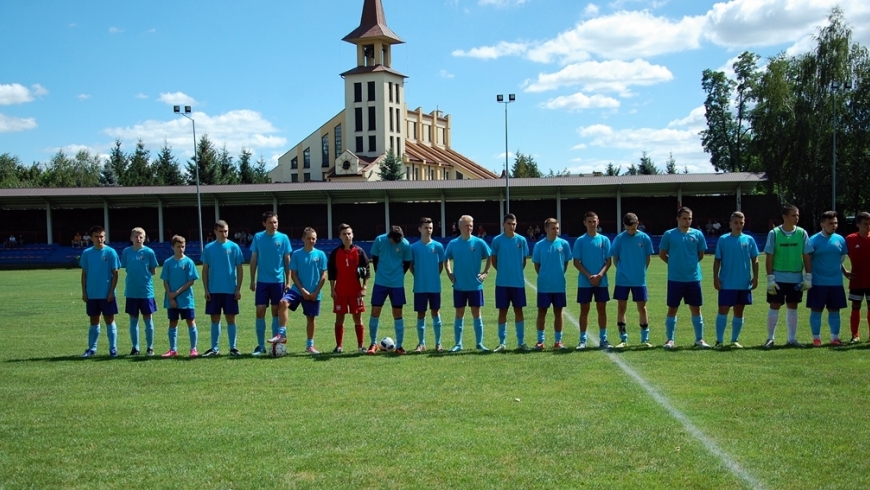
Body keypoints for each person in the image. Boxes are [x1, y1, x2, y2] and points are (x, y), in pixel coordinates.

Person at [271, 227, 328, 355]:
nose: (311, 240)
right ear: (303, 239)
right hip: (297, 290)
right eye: (308, 238)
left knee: (311, 319)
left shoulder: (320, 255)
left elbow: (324, 275)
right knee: (283, 303)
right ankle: (281, 334)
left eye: (313, 238)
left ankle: (310, 346)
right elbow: (293, 274)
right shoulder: (296, 254)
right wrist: (302, 290)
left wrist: (315, 292)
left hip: (314, 292)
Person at [659, 207, 710, 349]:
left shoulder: (698, 234)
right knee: (672, 308)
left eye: (690, 218)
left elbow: (700, 254)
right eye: (684, 218)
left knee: (696, 309)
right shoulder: (669, 235)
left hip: (693, 278)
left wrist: (689, 264)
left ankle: (699, 339)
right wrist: (674, 263)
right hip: (675, 279)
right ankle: (670, 340)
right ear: (678, 219)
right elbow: (662, 254)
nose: (687, 221)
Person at [763, 204, 813, 349]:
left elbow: (806, 255)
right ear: (784, 217)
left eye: (797, 215)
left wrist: (808, 276)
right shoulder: (774, 233)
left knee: (793, 306)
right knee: (774, 305)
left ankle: (791, 339)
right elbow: (769, 256)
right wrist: (770, 278)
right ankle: (770, 338)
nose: (796, 218)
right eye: (793, 215)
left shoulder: (802, 233)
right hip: (778, 278)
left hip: (796, 277)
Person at [445, 215, 493, 352]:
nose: (469, 228)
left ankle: (479, 343)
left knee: (477, 313)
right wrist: (449, 272)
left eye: (471, 225)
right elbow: (446, 258)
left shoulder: (479, 242)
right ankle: (458, 344)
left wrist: (485, 273)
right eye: (466, 225)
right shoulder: (453, 244)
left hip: (475, 285)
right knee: (459, 313)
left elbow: (490, 256)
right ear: (460, 227)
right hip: (459, 285)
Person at [712, 212, 759, 349]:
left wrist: (755, 277)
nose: (739, 225)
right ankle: (719, 341)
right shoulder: (723, 239)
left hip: (743, 283)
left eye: (741, 223)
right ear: (730, 224)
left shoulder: (749, 240)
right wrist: (715, 277)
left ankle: (734, 340)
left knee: (739, 310)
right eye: (736, 223)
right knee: (723, 309)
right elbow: (717, 260)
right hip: (726, 282)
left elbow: (755, 259)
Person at [249, 211, 293, 356]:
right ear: (264, 224)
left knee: (276, 311)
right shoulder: (258, 237)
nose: (273, 225)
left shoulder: (283, 238)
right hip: (262, 282)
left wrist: (288, 281)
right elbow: (254, 260)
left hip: (278, 282)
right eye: (270, 222)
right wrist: (252, 280)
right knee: (260, 311)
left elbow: (287, 261)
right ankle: (261, 346)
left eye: (275, 222)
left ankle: (274, 345)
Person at [610, 212, 654, 348]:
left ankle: (644, 339)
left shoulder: (644, 238)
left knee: (642, 308)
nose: (631, 231)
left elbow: (648, 258)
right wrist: (623, 270)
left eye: (633, 228)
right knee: (621, 308)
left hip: (639, 280)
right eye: (628, 229)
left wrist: (640, 271)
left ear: (638, 224)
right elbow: (615, 259)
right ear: (624, 226)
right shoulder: (619, 239)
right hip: (622, 280)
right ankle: (623, 339)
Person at [201, 220, 244, 357]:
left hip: (230, 289)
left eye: (226, 231)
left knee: (231, 318)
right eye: (221, 231)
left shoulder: (234, 247)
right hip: (213, 289)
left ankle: (233, 348)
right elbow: (205, 270)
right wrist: (206, 289)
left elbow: (240, 269)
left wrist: (238, 288)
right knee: (215, 318)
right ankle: (214, 348)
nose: (224, 234)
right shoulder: (208, 248)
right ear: (215, 232)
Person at [367, 225, 412, 354]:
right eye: (395, 239)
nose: (398, 242)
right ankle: (373, 344)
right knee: (375, 311)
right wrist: (380, 274)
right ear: (389, 237)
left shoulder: (405, 244)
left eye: (400, 239)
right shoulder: (380, 240)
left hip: (397, 285)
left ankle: (399, 346)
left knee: (398, 314)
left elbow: (407, 263)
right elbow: (374, 259)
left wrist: (398, 276)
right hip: (380, 283)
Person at [328, 223, 370, 353]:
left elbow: (367, 270)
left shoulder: (359, 251)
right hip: (340, 291)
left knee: (357, 318)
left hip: (355, 292)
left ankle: (360, 346)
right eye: (344, 234)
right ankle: (339, 346)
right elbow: (332, 273)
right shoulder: (335, 253)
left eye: (349, 233)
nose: (347, 236)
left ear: (353, 235)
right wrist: (332, 289)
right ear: (340, 236)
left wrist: (364, 287)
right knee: (339, 318)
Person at [491, 213, 530, 352]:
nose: (511, 226)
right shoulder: (497, 241)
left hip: (518, 283)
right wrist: (503, 271)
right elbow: (493, 260)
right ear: (503, 224)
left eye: (513, 224)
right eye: (508, 224)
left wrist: (516, 271)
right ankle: (502, 343)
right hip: (502, 282)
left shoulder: (522, 240)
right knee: (503, 311)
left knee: (518, 310)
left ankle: (521, 342)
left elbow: (524, 261)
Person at [807, 211, 847, 346]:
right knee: (816, 310)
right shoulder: (813, 240)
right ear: (822, 224)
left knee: (835, 310)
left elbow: (841, 258)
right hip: (818, 282)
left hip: (836, 282)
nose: (834, 226)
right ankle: (816, 338)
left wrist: (843, 271)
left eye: (835, 223)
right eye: (830, 223)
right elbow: (808, 260)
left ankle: (834, 338)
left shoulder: (840, 239)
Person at [573, 212, 612, 349]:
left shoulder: (604, 240)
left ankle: (603, 339)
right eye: (589, 221)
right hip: (585, 282)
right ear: (584, 223)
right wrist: (589, 276)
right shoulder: (580, 241)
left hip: (601, 281)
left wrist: (599, 276)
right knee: (584, 310)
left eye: (594, 221)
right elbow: (576, 262)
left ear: (598, 221)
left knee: (602, 309)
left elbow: (608, 261)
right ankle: (583, 340)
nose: (592, 224)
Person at [79, 225, 120, 357]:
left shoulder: (111, 252)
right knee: (94, 320)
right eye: (96, 236)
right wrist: (84, 292)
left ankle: (113, 349)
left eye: (102, 236)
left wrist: (111, 292)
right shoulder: (87, 253)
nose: (99, 239)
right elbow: (84, 273)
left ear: (105, 237)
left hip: (107, 294)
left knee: (109, 319)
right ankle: (92, 349)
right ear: (91, 238)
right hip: (92, 294)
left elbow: (115, 273)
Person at [533, 217, 572, 350]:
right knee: (542, 312)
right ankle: (540, 341)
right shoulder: (539, 245)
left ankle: (558, 341)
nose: (556, 230)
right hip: (544, 285)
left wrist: (558, 274)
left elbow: (566, 262)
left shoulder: (564, 244)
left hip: (559, 285)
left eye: (557, 228)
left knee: (558, 312)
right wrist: (545, 275)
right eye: (553, 228)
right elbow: (537, 265)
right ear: (546, 229)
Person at [410, 217, 446, 352]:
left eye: (430, 227)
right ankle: (421, 343)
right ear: (420, 229)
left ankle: (438, 343)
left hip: (434, 286)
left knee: (436, 312)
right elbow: (411, 266)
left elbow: (440, 265)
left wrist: (433, 276)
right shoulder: (413, 247)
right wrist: (419, 276)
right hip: (420, 286)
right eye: (426, 227)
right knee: (421, 314)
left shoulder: (438, 246)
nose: (428, 230)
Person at [121, 227, 158, 356]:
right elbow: (125, 267)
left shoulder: (149, 252)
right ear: (131, 238)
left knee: (148, 318)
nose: (138, 239)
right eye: (136, 236)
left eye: (141, 236)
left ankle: (150, 347)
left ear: (145, 237)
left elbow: (153, 271)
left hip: (146, 291)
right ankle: (135, 348)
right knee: (133, 319)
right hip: (131, 291)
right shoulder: (126, 252)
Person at [160, 235, 200, 357]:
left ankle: (193, 349)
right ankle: (173, 349)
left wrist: (176, 293)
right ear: (173, 247)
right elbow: (165, 281)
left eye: (183, 246)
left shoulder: (188, 262)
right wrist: (170, 297)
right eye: (178, 246)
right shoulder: (168, 263)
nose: (181, 249)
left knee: (191, 322)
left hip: (186, 299)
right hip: (172, 299)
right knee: (173, 322)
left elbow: (191, 281)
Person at [844, 211, 870, 343]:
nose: (868, 226)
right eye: (865, 224)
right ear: (858, 224)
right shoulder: (850, 239)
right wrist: (844, 271)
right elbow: (837, 257)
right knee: (856, 306)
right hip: (857, 280)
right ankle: (855, 335)